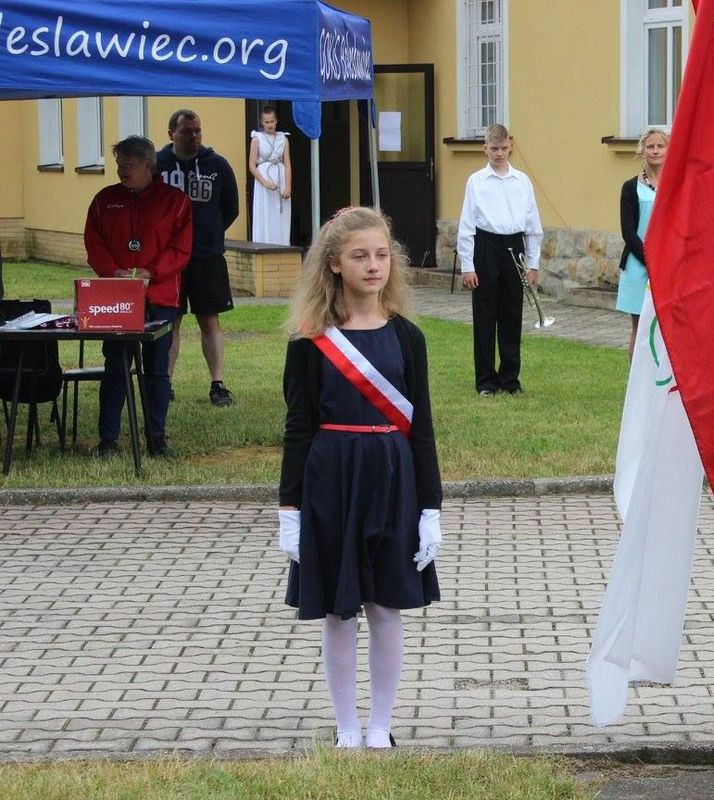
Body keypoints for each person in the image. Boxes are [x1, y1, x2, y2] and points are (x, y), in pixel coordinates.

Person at [278, 206, 442, 750]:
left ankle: (380, 725)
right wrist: (289, 510)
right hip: (331, 479)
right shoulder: (309, 341)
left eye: (381, 255)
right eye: (359, 256)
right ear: (333, 265)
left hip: (394, 478)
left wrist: (431, 508)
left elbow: (423, 429)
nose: (374, 266)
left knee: (387, 605)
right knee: (338, 609)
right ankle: (347, 725)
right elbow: (298, 428)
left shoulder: (407, 337)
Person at [84, 136, 192, 458]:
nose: (121, 171)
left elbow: (181, 249)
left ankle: (156, 438)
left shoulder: (176, 201)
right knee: (116, 366)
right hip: (117, 298)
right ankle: (108, 440)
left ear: (148, 165)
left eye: (127, 165)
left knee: (157, 370)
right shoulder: (105, 200)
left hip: (160, 297)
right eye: (118, 165)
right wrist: (112, 271)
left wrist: (151, 272)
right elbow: (94, 243)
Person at [157, 109, 240, 407]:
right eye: (186, 132)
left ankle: (218, 384)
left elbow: (230, 208)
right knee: (171, 320)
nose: (193, 137)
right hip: (168, 259)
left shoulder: (217, 165)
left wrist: (209, 233)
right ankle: (164, 382)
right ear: (171, 134)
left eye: (197, 131)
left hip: (207, 256)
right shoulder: (158, 165)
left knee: (210, 318)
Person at [456, 123, 544, 395]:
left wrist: (532, 263)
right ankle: (486, 381)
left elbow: (533, 224)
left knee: (511, 313)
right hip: (486, 245)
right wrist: (468, 266)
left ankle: (510, 379)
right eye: (494, 149)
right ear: (485, 148)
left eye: (503, 148)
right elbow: (467, 226)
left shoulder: (522, 181)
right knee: (485, 315)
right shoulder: (476, 182)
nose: (499, 154)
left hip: (514, 245)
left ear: (511, 146)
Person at [616, 127, 668, 358]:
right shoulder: (630, 187)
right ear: (642, 151)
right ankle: (636, 387)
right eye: (650, 146)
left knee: (666, 328)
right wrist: (649, 258)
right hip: (639, 265)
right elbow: (628, 231)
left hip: (669, 264)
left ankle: (661, 386)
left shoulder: (677, 183)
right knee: (639, 327)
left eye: (660, 146)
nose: (655, 151)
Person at [249, 105, 292, 246]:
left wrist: (288, 186)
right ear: (262, 122)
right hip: (264, 181)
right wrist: (264, 182)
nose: (269, 125)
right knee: (266, 214)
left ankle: (282, 245)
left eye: (272, 121)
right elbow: (251, 165)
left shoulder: (283, 139)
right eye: (266, 122)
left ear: (276, 121)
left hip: (280, 179)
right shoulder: (257, 139)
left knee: (280, 215)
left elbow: (287, 163)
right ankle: (264, 244)